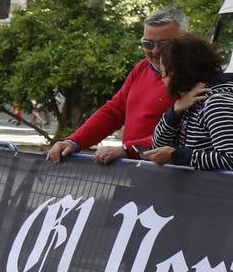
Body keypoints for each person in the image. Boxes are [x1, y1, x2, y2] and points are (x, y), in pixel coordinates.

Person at [47, 9, 183, 164]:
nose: (156, 51)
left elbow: (184, 134)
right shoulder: (143, 68)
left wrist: (128, 150)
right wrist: (74, 142)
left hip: (178, 178)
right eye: (148, 43)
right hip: (139, 172)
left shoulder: (195, 76)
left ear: (185, 40)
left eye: (165, 44)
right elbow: (115, 111)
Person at [145, 35, 233, 171]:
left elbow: (230, 158)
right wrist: (175, 111)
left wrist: (176, 155)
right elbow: (157, 146)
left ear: (175, 73)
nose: (161, 78)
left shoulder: (216, 102)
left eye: (163, 72)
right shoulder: (191, 100)